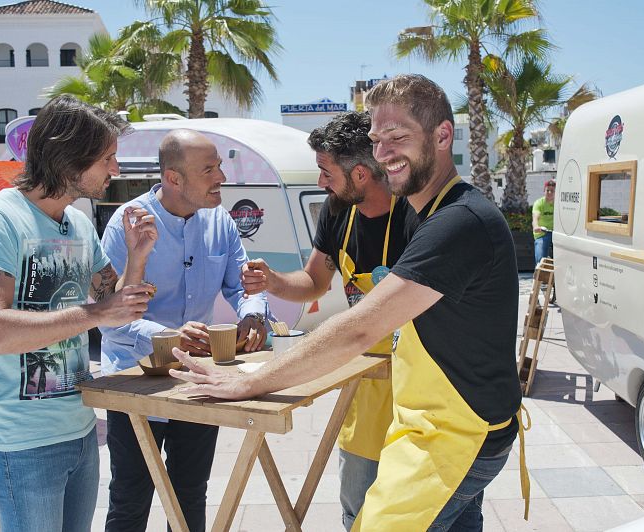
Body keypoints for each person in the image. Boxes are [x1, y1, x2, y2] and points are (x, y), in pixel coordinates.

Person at [169, 74, 528, 531]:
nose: (382, 153)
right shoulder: (427, 211)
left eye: (397, 138)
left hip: (460, 433)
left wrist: (247, 384)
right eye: (378, 140)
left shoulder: (458, 221)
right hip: (433, 420)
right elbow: (322, 285)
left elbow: (360, 327)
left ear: (442, 136)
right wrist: (277, 285)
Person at [0, 95, 158, 532]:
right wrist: (96, 311)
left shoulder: (78, 222)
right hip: (22, 441)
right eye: (107, 159)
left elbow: (113, 308)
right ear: (69, 161)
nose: (115, 170)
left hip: (79, 427)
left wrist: (137, 260)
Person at [240, 111, 409, 530]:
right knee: (358, 505)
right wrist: (274, 281)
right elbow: (315, 281)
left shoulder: (415, 214)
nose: (321, 183)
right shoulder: (336, 212)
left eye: (326, 171)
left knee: (417, 509)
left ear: (361, 175)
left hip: (421, 382)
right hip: (365, 381)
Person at [99, 128, 267, 532]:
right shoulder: (127, 226)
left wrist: (254, 314)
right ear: (174, 178)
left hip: (198, 382)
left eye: (220, 167)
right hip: (134, 380)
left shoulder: (222, 223)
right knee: (129, 498)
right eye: (209, 169)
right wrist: (167, 336)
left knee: (190, 493)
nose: (221, 178)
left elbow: (244, 287)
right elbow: (107, 316)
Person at [532, 179, 555, 266]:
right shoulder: (539, 203)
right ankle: (539, 274)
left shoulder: (558, 204)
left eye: (552, 191)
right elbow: (535, 217)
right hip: (542, 233)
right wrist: (536, 226)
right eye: (547, 190)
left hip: (555, 233)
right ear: (544, 191)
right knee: (540, 259)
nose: (549, 192)